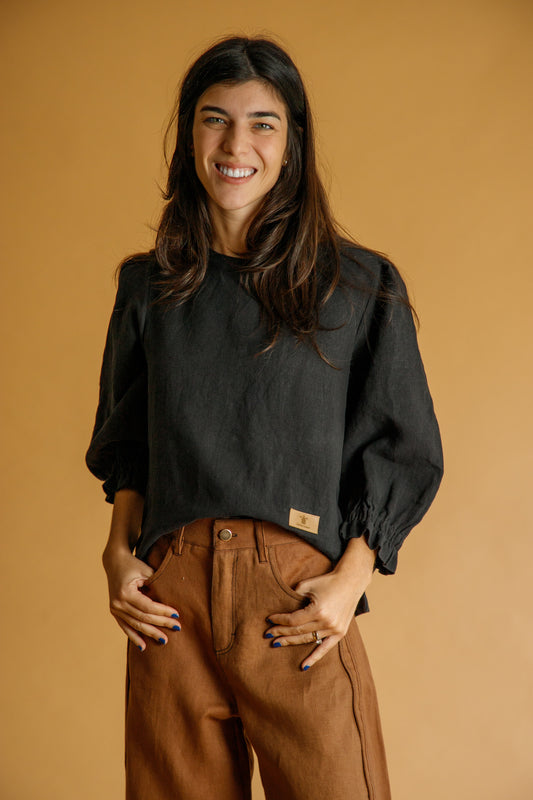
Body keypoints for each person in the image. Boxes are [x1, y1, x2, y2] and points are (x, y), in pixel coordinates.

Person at [86, 35, 443, 800]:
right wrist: (117, 555)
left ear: (292, 142)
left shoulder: (356, 286)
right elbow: (130, 446)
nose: (235, 144)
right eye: (214, 119)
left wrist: (348, 580)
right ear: (189, 135)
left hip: (293, 599)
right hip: (169, 603)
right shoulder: (148, 287)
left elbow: (400, 446)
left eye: (262, 123)